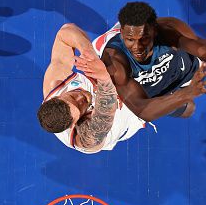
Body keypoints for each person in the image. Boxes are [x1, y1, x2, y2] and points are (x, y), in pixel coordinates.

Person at [92, 2, 206, 120]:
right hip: (153, 92)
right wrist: (186, 94)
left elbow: (204, 50)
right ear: (122, 34)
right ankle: (173, 98)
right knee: (188, 110)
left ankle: (182, 93)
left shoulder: (170, 29)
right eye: (130, 39)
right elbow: (141, 109)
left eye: (144, 39)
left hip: (187, 72)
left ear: (154, 31)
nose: (137, 46)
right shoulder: (115, 61)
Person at [37, 23, 148, 154]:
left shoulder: (55, 84)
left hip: (108, 80)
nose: (81, 97)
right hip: (128, 110)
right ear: (74, 123)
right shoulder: (86, 138)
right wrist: (104, 77)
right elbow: (106, 109)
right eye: (80, 106)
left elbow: (65, 32)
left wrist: (89, 54)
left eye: (72, 97)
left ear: (58, 97)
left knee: (101, 46)